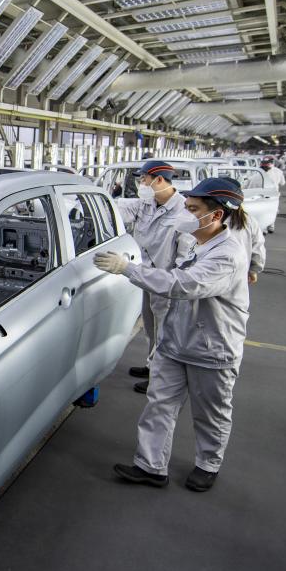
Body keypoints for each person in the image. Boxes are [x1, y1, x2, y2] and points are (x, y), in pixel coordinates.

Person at [95, 177, 252, 492]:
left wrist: (128, 269)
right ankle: (151, 466)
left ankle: (208, 464)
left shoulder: (227, 255)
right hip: (176, 343)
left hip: (211, 350)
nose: (185, 213)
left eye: (192, 209)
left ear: (216, 215)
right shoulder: (198, 240)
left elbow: (184, 286)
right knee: (159, 404)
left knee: (210, 413)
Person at [112, 160, 188, 395]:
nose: (141, 183)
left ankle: (160, 377)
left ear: (159, 180)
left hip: (166, 280)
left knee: (165, 330)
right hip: (144, 275)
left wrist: (176, 281)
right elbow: (116, 209)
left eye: (144, 179)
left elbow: (185, 253)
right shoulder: (145, 204)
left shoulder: (184, 210)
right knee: (150, 326)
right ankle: (151, 365)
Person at [258, 157, 286, 234]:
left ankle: (264, 228)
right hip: (274, 195)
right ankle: (271, 226)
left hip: (262, 194)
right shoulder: (279, 171)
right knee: (272, 210)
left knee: (263, 211)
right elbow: (282, 183)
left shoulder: (259, 171)